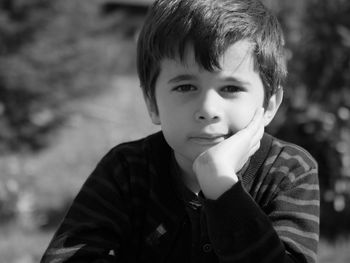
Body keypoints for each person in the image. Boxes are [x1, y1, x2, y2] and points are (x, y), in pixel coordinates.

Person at [41, 0, 320, 262]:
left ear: (270, 103)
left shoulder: (288, 171)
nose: (208, 109)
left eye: (231, 88)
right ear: (153, 104)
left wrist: (220, 183)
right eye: (185, 87)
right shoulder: (127, 170)